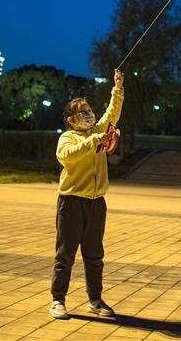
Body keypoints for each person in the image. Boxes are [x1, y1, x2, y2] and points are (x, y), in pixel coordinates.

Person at [49, 68, 124, 320]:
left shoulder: (97, 131)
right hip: (71, 202)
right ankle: (58, 300)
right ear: (71, 119)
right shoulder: (67, 138)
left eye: (89, 110)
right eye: (82, 111)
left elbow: (112, 113)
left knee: (94, 256)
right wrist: (93, 141)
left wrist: (118, 88)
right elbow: (67, 157)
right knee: (65, 255)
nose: (89, 114)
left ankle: (95, 300)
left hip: (96, 203)